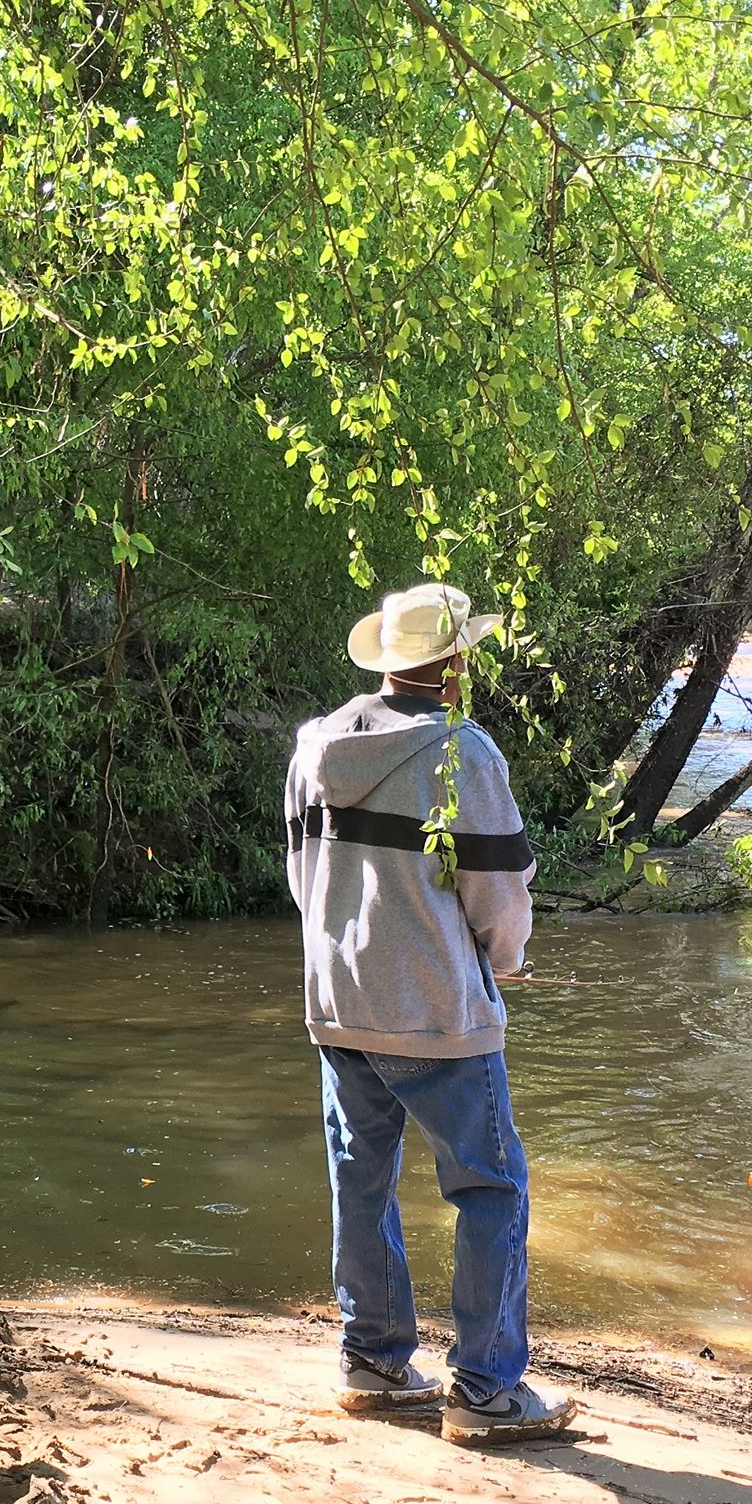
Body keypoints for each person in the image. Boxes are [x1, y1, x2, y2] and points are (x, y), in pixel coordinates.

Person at [285, 581, 581, 1445]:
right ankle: (486, 1389)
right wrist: (501, 963)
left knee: (361, 1177)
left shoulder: (314, 745)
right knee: (491, 1187)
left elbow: (305, 878)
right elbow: (501, 893)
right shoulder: (465, 753)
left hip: (339, 1002)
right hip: (436, 1013)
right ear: (454, 664)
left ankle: (372, 1361)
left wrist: (347, 957)